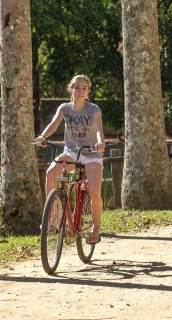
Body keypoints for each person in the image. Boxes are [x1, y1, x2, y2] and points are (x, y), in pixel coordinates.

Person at [34, 75, 106, 244]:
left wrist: (100, 142)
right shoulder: (65, 108)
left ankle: (95, 230)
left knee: (95, 191)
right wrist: (42, 136)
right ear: (70, 89)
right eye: (77, 87)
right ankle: (52, 215)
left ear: (88, 91)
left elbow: (97, 128)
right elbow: (54, 123)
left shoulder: (93, 109)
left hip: (91, 153)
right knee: (51, 173)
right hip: (72, 151)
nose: (80, 91)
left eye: (84, 88)